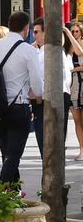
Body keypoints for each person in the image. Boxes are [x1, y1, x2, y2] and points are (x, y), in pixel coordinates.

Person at [0, 11, 43, 184]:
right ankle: (0, 193)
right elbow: (38, 88)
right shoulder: (27, 50)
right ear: (27, 28)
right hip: (18, 106)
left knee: (7, 154)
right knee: (14, 155)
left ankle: (12, 194)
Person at [30, 17, 75, 156]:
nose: (34, 35)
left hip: (49, 99)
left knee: (50, 145)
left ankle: (53, 176)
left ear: (46, 33)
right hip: (49, 98)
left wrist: (37, 95)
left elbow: (46, 79)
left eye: (37, 32)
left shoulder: (50, 52)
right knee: (48, 146)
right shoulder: (42, 51)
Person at [65, 21, 83, 161]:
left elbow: (80, 52)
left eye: (77, 31)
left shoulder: (79, 43)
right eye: (73, 31)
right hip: (72, 86)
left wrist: (73, 69)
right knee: (77, 121)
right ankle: (81, 148)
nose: (75, 34)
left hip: (81, 84)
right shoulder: (66, 46)